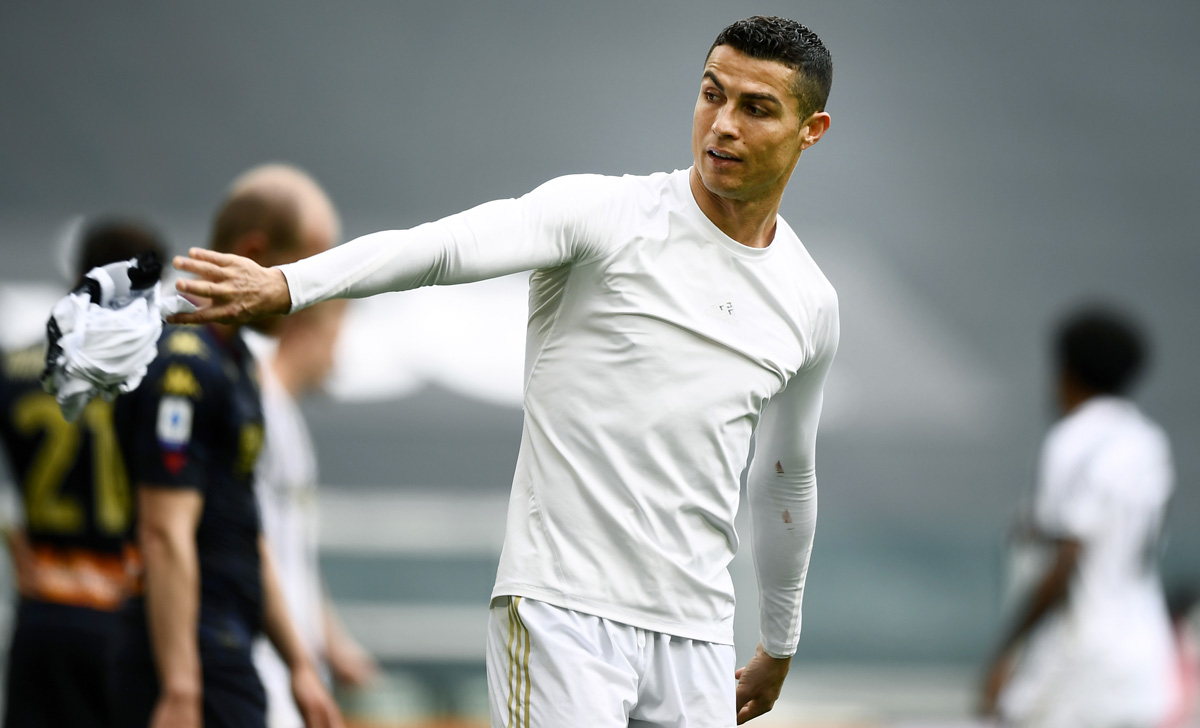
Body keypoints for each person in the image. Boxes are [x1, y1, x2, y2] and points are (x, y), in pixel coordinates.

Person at [170, 16, 837, 727]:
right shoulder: (605, 215)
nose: (723, 124)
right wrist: (287, 284)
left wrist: (780, 641)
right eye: (712, 94)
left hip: (698, 638)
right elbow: (442, 247)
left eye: (756, 108)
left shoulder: (808, 300)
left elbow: (784, 476)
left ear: (811, 131)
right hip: (562, 616)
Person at [112, 165, 344, 728]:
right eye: (297, 275)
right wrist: (181, 685)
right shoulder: (185, 361)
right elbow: (164, 533)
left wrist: (299, 663)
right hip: (193, 655)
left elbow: (243, 527)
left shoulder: (235, 361)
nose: (307, 299)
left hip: (228, 645)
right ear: (254, 252)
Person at [0, 217, 167, 728]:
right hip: (128, 609)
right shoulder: (161, 374)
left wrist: (14, 542)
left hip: (44, 605)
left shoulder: (17, 366)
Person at [981, 308, 1177, 727]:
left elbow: (1068, 558)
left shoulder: (1072, 440)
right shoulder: (1149, 441)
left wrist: (1006, 653)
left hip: (1081, 656)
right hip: (1144, 656)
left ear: (1066, 371)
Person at [248, 298, 378, 728]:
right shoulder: (259, 408)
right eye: (338, 335)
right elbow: (253, 541)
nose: (339, 354)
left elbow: (292, 552)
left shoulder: (284, 415)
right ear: (308, 328)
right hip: (267, 661)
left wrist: (332, 643)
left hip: (292, 664)